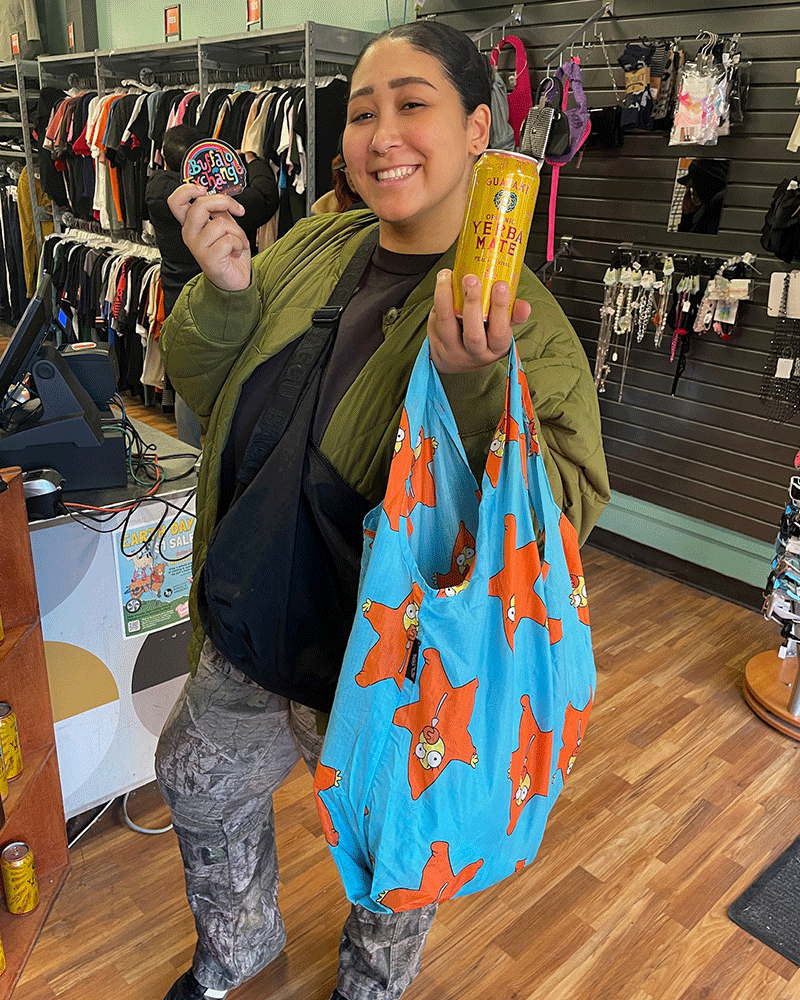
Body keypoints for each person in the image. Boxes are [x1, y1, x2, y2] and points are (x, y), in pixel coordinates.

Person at [155, 20, 610, 1000]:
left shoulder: (524, 319)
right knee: (196, 777)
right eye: (363, 110)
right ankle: (239, 946)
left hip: (384, 661)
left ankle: (371, 983)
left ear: (478, 128)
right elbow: (204, 380)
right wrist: (228, 292)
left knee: (396, 841)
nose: (380, 133)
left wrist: (474, 386)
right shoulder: (322, 240)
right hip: (252, 601)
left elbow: (559, 521)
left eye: (412, 104)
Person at [145, 124, 279, 447]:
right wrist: (251, 161)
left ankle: (188, 451)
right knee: (221, 373)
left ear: (163, 159)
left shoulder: (156, 192)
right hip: (217, 298)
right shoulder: (214, 208)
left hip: (177, 295)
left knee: (187, 377)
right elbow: (263, 197)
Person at [676, 157, 729, 235]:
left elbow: (687, 242)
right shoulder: (705, 209)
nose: (692, 193)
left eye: (694, 186)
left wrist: (686, 218)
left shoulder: (716, 205)